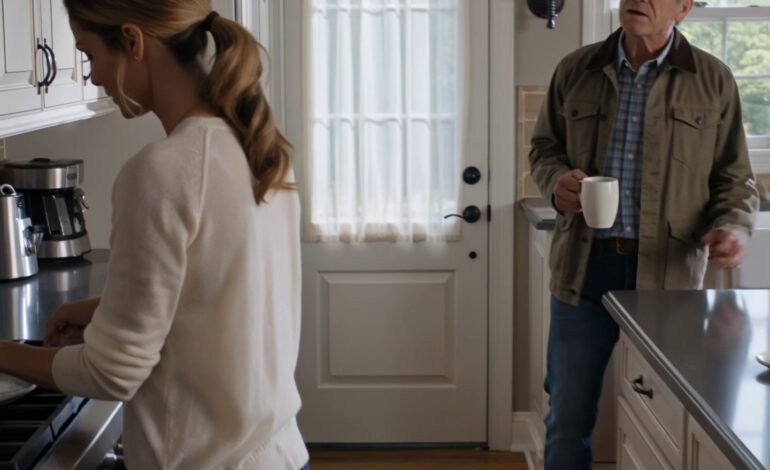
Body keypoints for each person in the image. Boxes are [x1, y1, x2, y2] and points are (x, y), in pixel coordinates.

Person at [0, 1, 310, 469]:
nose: (93, 76)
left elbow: (110, 373)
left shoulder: (160, 171)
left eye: (89, 55)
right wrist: (102, 310)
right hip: (280, 454)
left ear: (132, 41)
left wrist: (4, 354)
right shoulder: (259, 149)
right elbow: (226, 300)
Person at [528, 0, 758, 468]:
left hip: (669, 282)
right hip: (582, 272)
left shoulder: (713, 80)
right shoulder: (576, 69)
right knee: (567, 419)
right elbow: (544, 148)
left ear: (683, 8)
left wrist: (732, 226)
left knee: (664, 422)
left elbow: (735, 180)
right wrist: (556, 182)